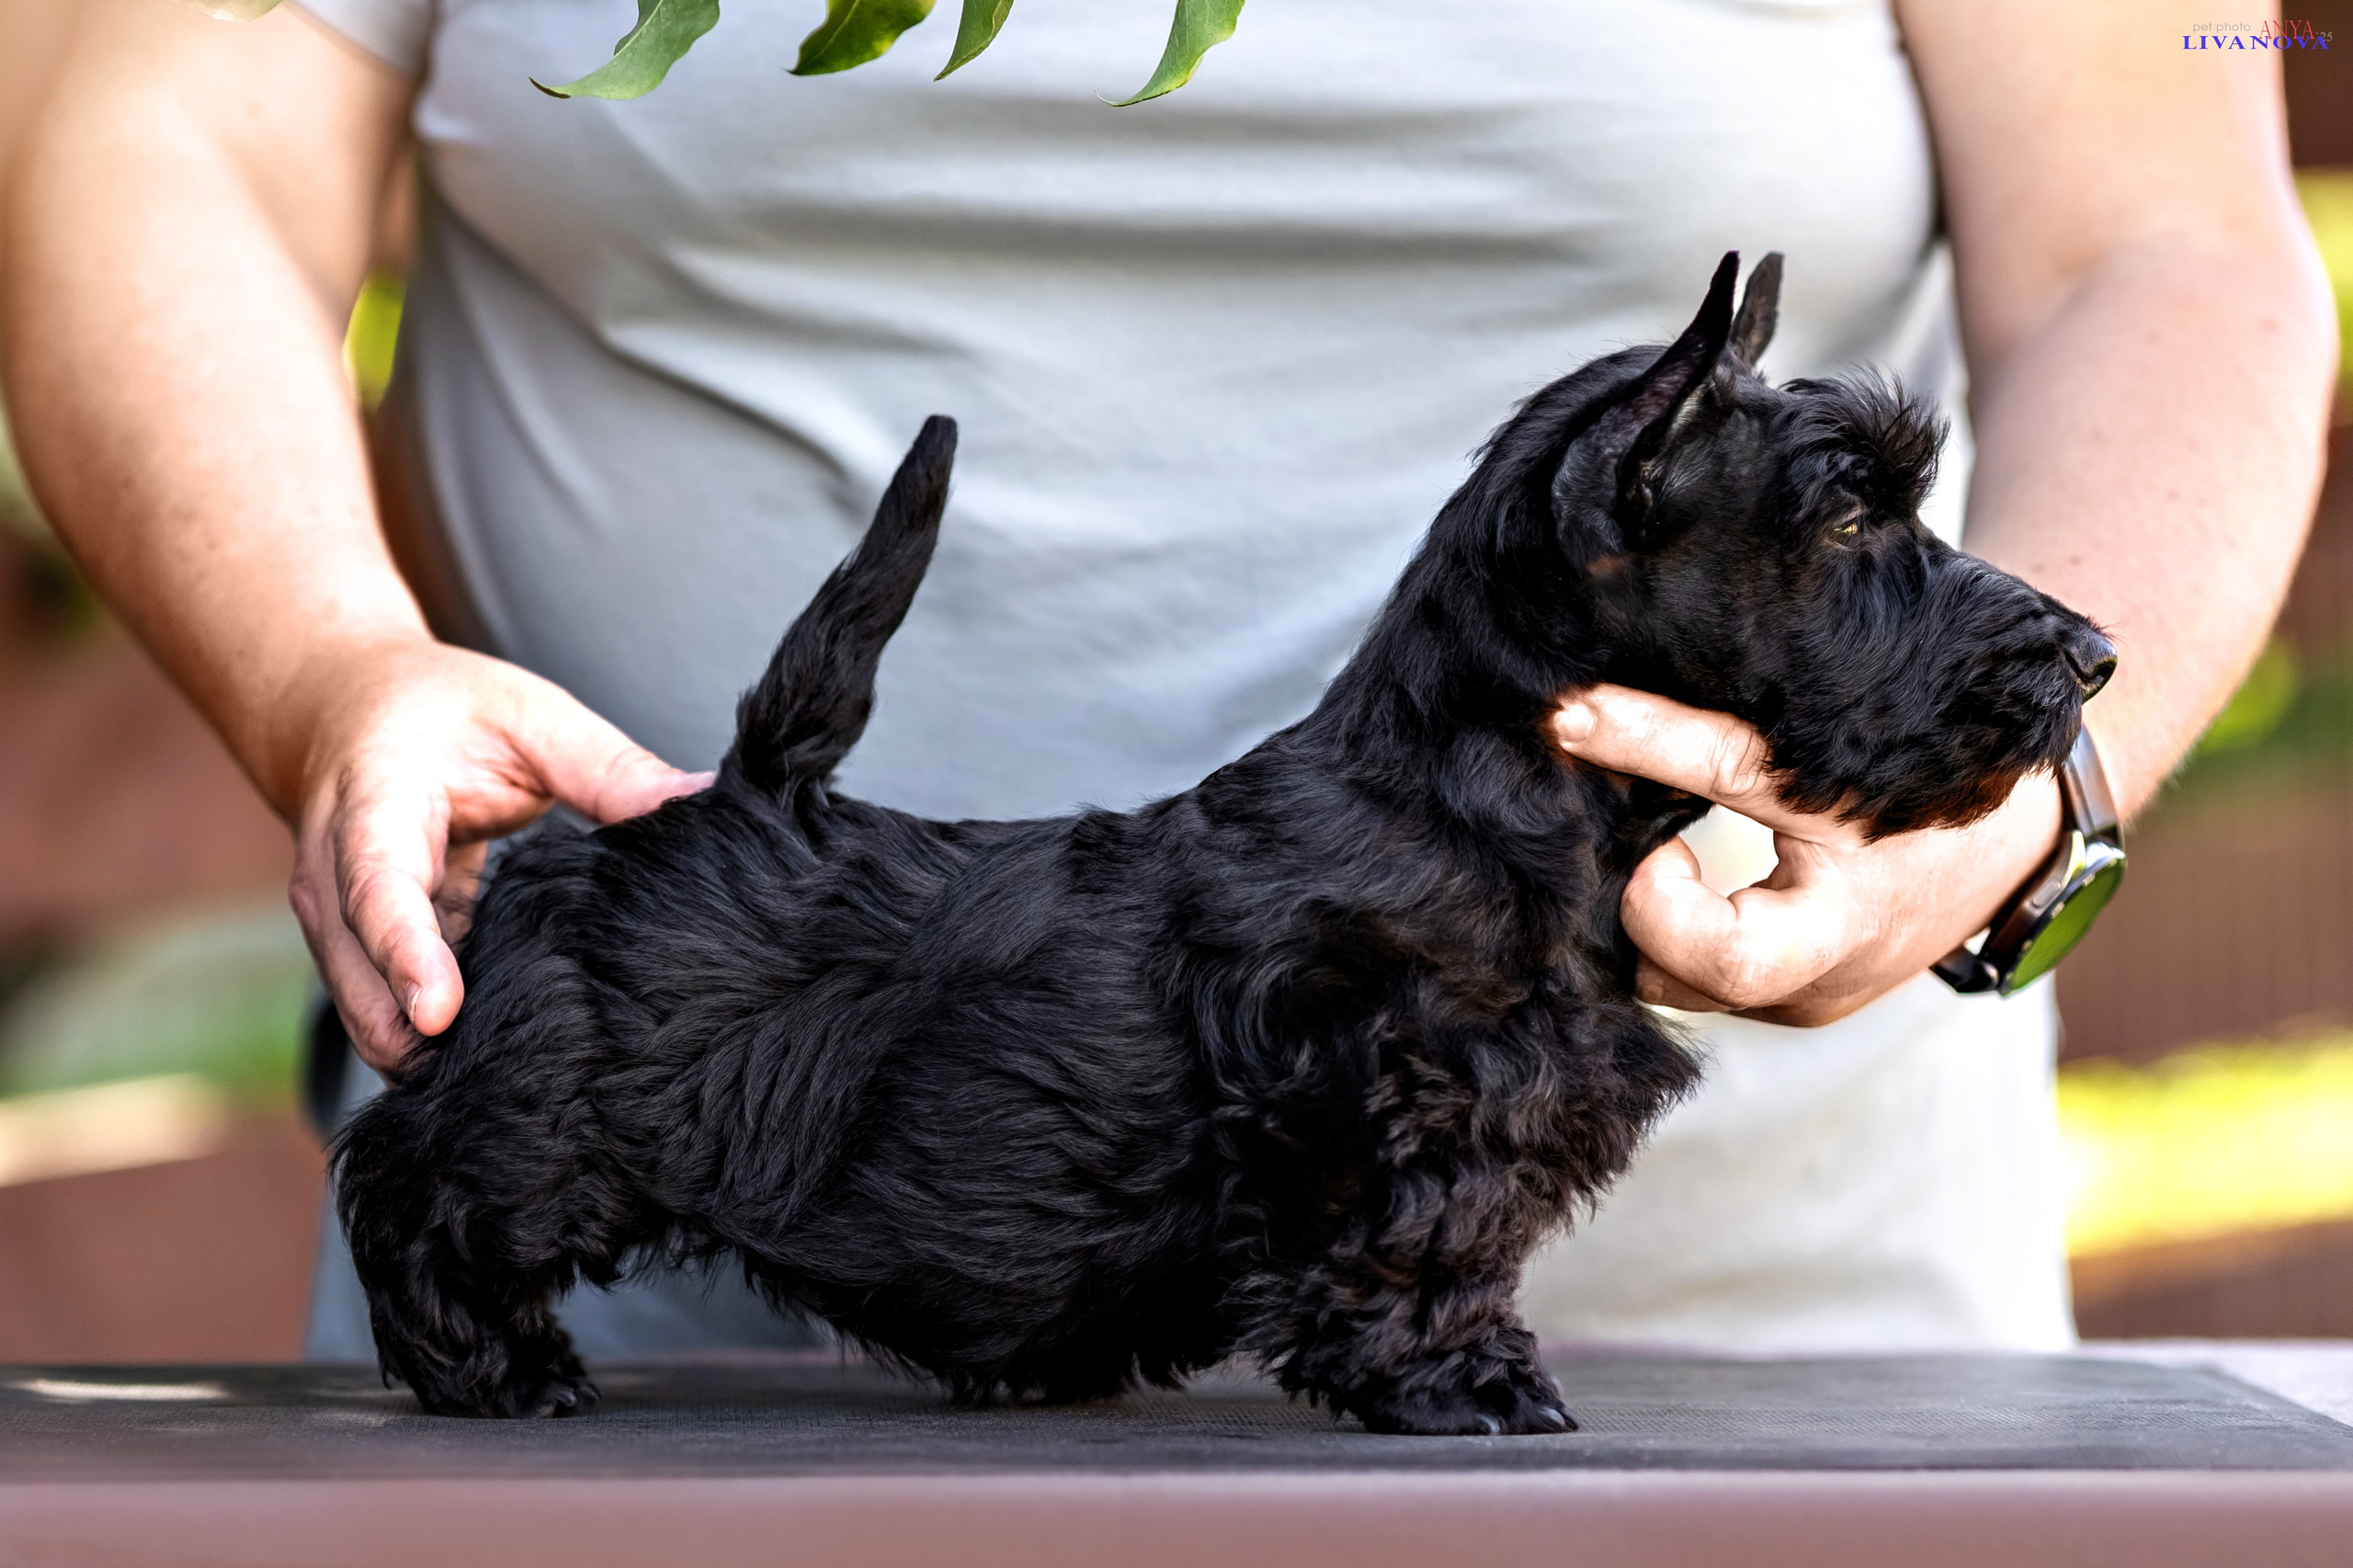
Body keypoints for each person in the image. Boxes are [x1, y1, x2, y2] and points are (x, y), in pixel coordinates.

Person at [3, 0, 2333, 1358]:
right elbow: (164, 128)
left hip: (1741, 1352)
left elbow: (2163, 239)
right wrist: (323, 664)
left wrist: (2034, 804)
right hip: (662, 1318)